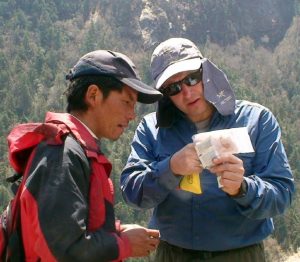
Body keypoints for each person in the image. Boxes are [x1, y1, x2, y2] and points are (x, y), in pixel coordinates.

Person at [120, 38, 295, 262]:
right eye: (174, 88)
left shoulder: (257, 120)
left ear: (206, 73)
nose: (187, 92)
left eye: (192, 78)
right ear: (164, 95)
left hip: (241, 255)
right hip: (173, 255)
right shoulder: (151, 129)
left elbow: (282, 194)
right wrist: (171, 168)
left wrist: (243, 188)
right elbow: (132, 192)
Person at [8, 50, 162, 261]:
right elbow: (65, 249)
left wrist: (116, 232)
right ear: (93, 95)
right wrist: (124, 244)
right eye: (127, 102)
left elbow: (73, 228)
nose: (132, 115)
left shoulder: (76, 149)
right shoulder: (62, 154)